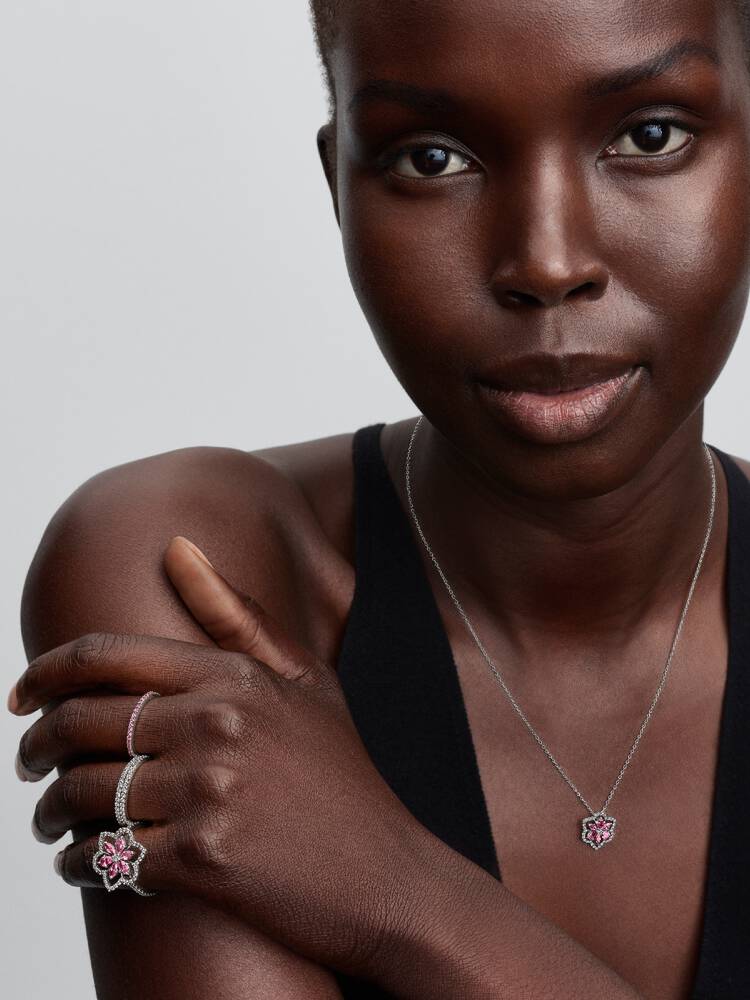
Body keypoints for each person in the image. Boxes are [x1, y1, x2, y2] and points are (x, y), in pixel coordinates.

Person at [9, 0, 750, 996]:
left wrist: (394, 889)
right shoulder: (193, 563)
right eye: (431, 158)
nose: (547, 262)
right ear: (339, 187)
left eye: (648, 135)